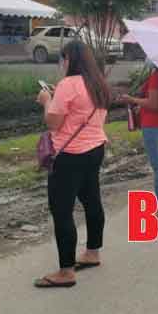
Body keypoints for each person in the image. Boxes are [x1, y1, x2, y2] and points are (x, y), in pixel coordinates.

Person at [35, 41, 110, 288]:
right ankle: (92, 252)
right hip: (95, 148)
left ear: (70, 60)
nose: (61, 63)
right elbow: (81, 110)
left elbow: (53, 123)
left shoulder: (69, 85)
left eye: (62, 58)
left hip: (70, 155)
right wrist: (58, 97)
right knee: (91, 200)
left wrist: (47, 100)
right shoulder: (97, 83)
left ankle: (66, 271)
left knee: (62, 210)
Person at [121, 62, 158, 209]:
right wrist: (141, 103)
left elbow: (154, 104)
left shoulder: (157, 76)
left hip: (154, 126)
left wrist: (132, 100)